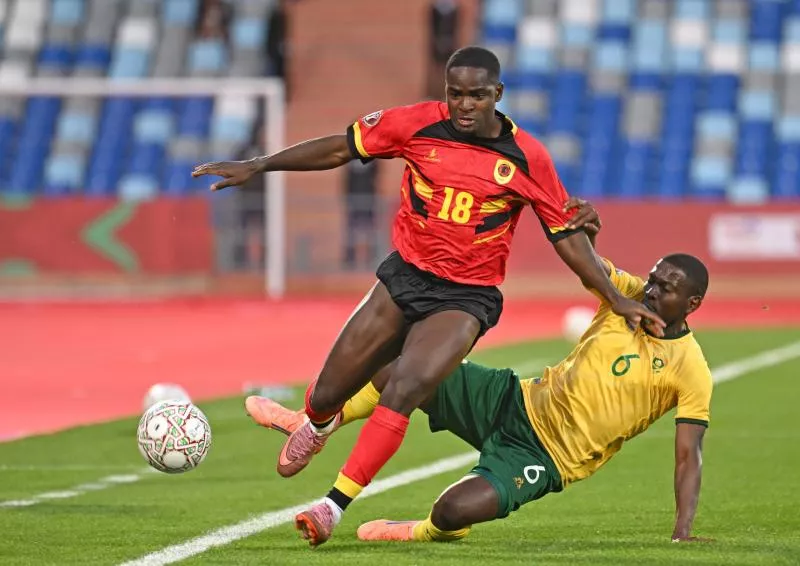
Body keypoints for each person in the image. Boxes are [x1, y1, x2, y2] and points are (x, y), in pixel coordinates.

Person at [192, 46, 664, 547]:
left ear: (497, 95)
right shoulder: (415, 124)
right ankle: (317, 423)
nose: (464, 105)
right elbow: (339, 149)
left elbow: (565, 235)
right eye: (455, 94)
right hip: (404, 278)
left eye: (476, 96)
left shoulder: (529, 157)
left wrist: (615, 296)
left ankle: (332, 506)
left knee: (405, 386)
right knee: (329, 391)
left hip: (466, 297)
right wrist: (261, 166)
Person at [247, 207, 713, 544]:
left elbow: (687, 456)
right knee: (397, 365)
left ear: (691, 304)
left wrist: (683, 534)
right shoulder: (625, 295)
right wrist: (585, 232)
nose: (650, 291)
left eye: (665, 289)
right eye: (653, 279)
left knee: (451, 511)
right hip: (513, 399)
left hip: (546, 457)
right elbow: (587, 266)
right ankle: (314, 423)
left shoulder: (690, 369)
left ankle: (423, 531)